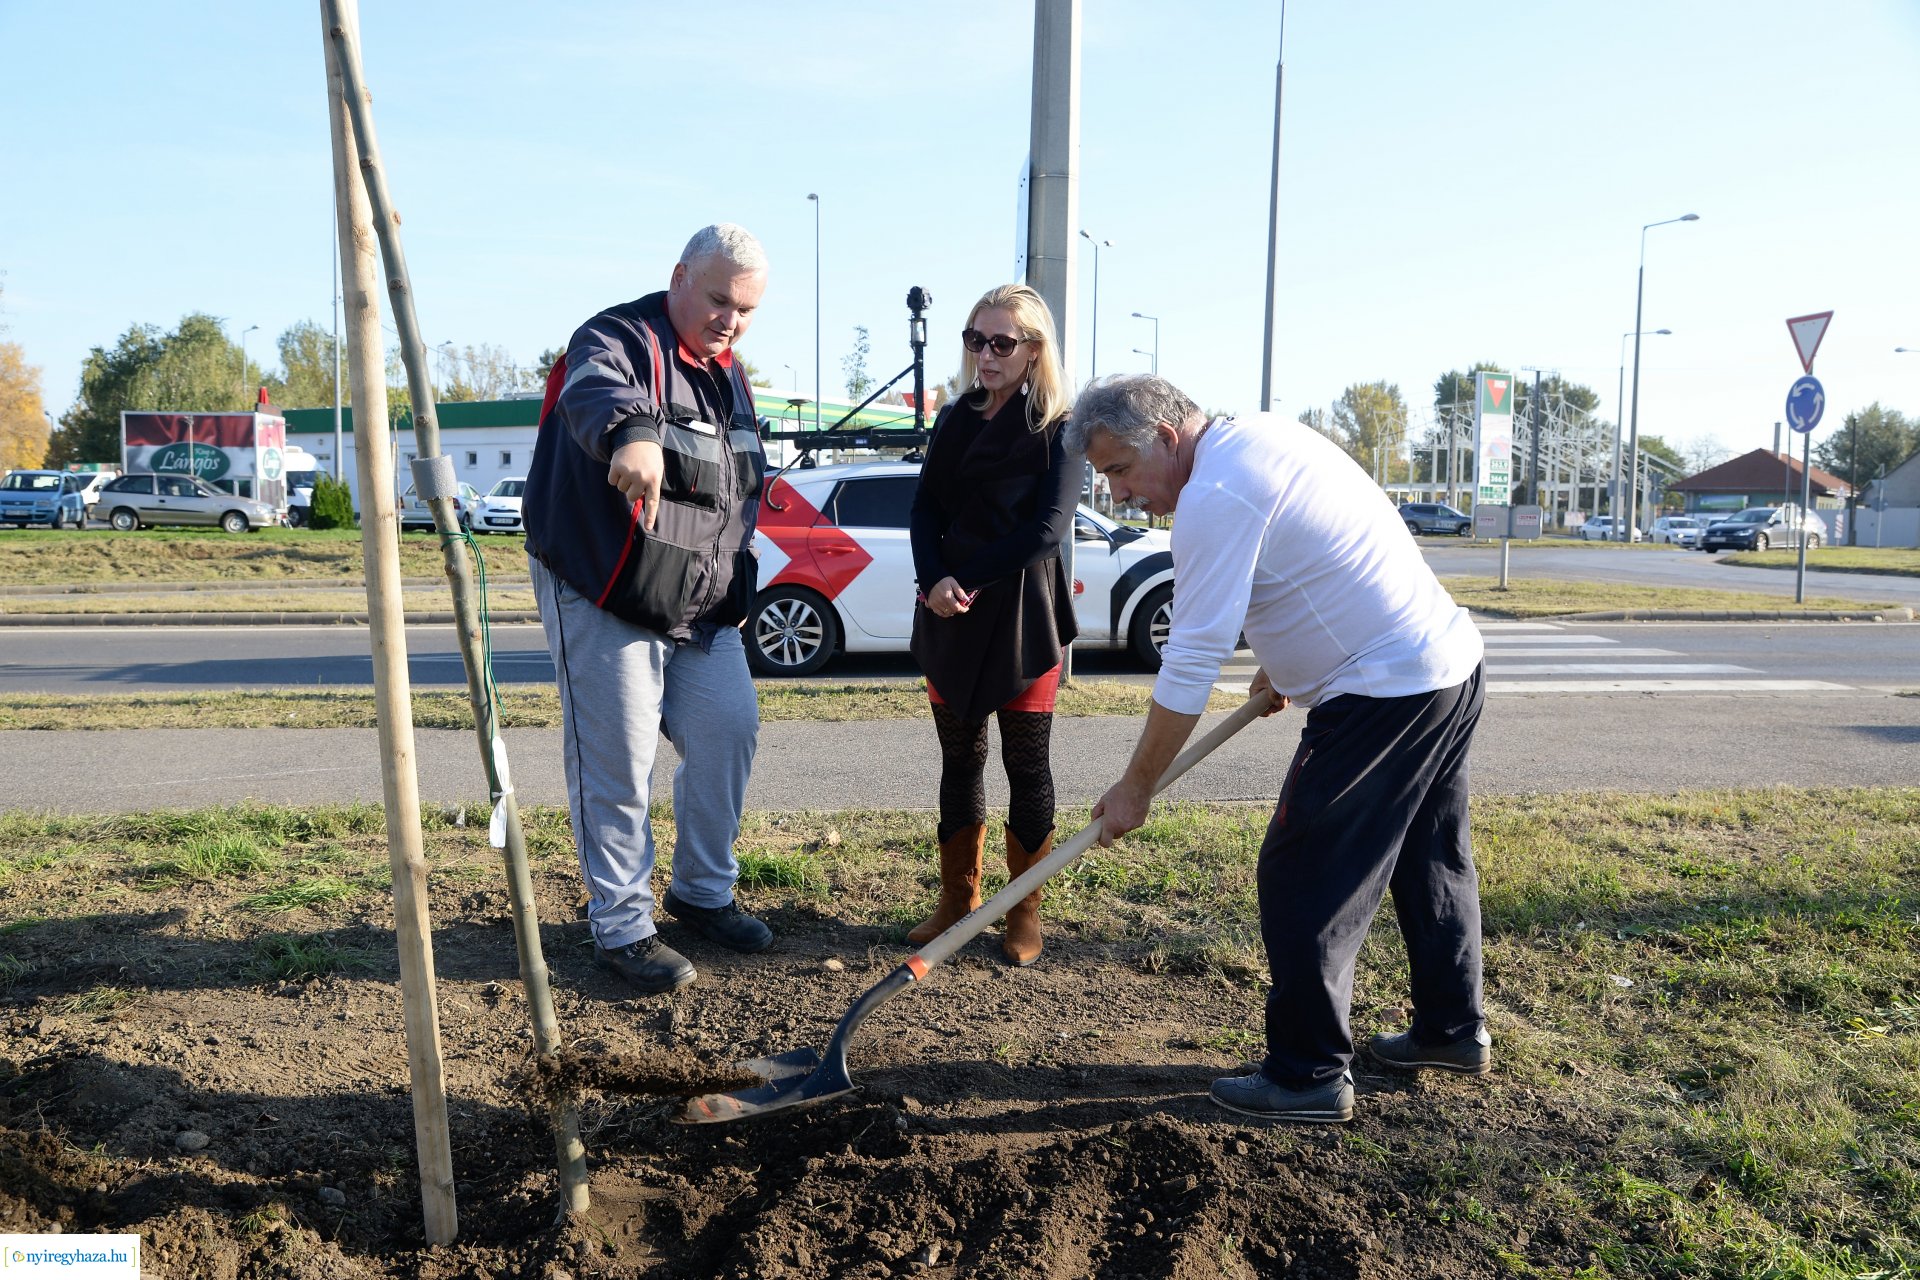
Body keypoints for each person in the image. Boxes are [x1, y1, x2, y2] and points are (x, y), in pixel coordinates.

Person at [1070, 374, 1488, 1124]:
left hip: (1384, 692)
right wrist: (1292, 656)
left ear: (1166, 438)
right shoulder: (1258, 437)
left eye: (1120, 471)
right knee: (1430, 854)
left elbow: (1191, 660)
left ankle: (1307, 1076)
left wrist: (1135, 786)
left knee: (1304, 872)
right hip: (1444, 663)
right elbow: (1315, 554)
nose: (1119, 494)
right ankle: (1450, 1031)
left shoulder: (1215, 496)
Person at [522, 224, 772, 995]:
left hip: (699, 606)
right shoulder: (619, 337)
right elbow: (600, 391)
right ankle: (623, 928)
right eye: (719, 298)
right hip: (606, 587)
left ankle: (701, 893)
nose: (730, 319)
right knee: (619, 761)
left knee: (728, 728)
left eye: (747, 310)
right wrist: (632, 438)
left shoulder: (728, 375)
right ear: (680, 277)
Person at [906, 284, 1078, 966]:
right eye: (976, 340)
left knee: (1027, 764)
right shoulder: (956, 418)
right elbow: (923, 510)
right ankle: (958, 901)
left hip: (1023, 619)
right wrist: (933, 582)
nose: (985, 354)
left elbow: (1046, 532)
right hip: (950, 612)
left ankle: (1023, 909)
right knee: (960, 759)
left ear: (1034, 350)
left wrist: (967, 579)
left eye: (1001, 343)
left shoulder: (1060, 426)